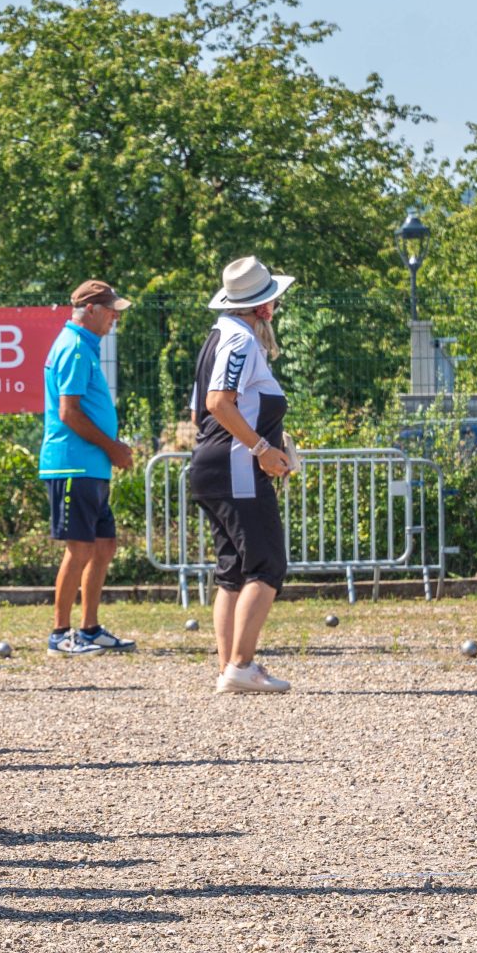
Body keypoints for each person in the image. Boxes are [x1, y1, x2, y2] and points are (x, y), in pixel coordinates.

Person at [190, 256, 296, 692]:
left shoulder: (219, 337)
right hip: (236, 467)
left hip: (214, 465)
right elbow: (218, 402)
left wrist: (272, 439)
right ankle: (242, 664)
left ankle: (230, 668)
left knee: (233, 568)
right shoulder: (240, 342)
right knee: (267, 563)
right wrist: (262, 448)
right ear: (265, 307)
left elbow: (206, 407)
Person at [41, 279, 137, 656]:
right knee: (80, 549)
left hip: (90, 467)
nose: (115, 316)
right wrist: (113, 447)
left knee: (103, 545)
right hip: (73, 466)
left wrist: (109, 452)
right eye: (111, 309)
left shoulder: (84, 347)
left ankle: (90, 628)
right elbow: (68, 412)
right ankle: (60, 634)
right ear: (92, 310)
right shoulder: (76, 348)